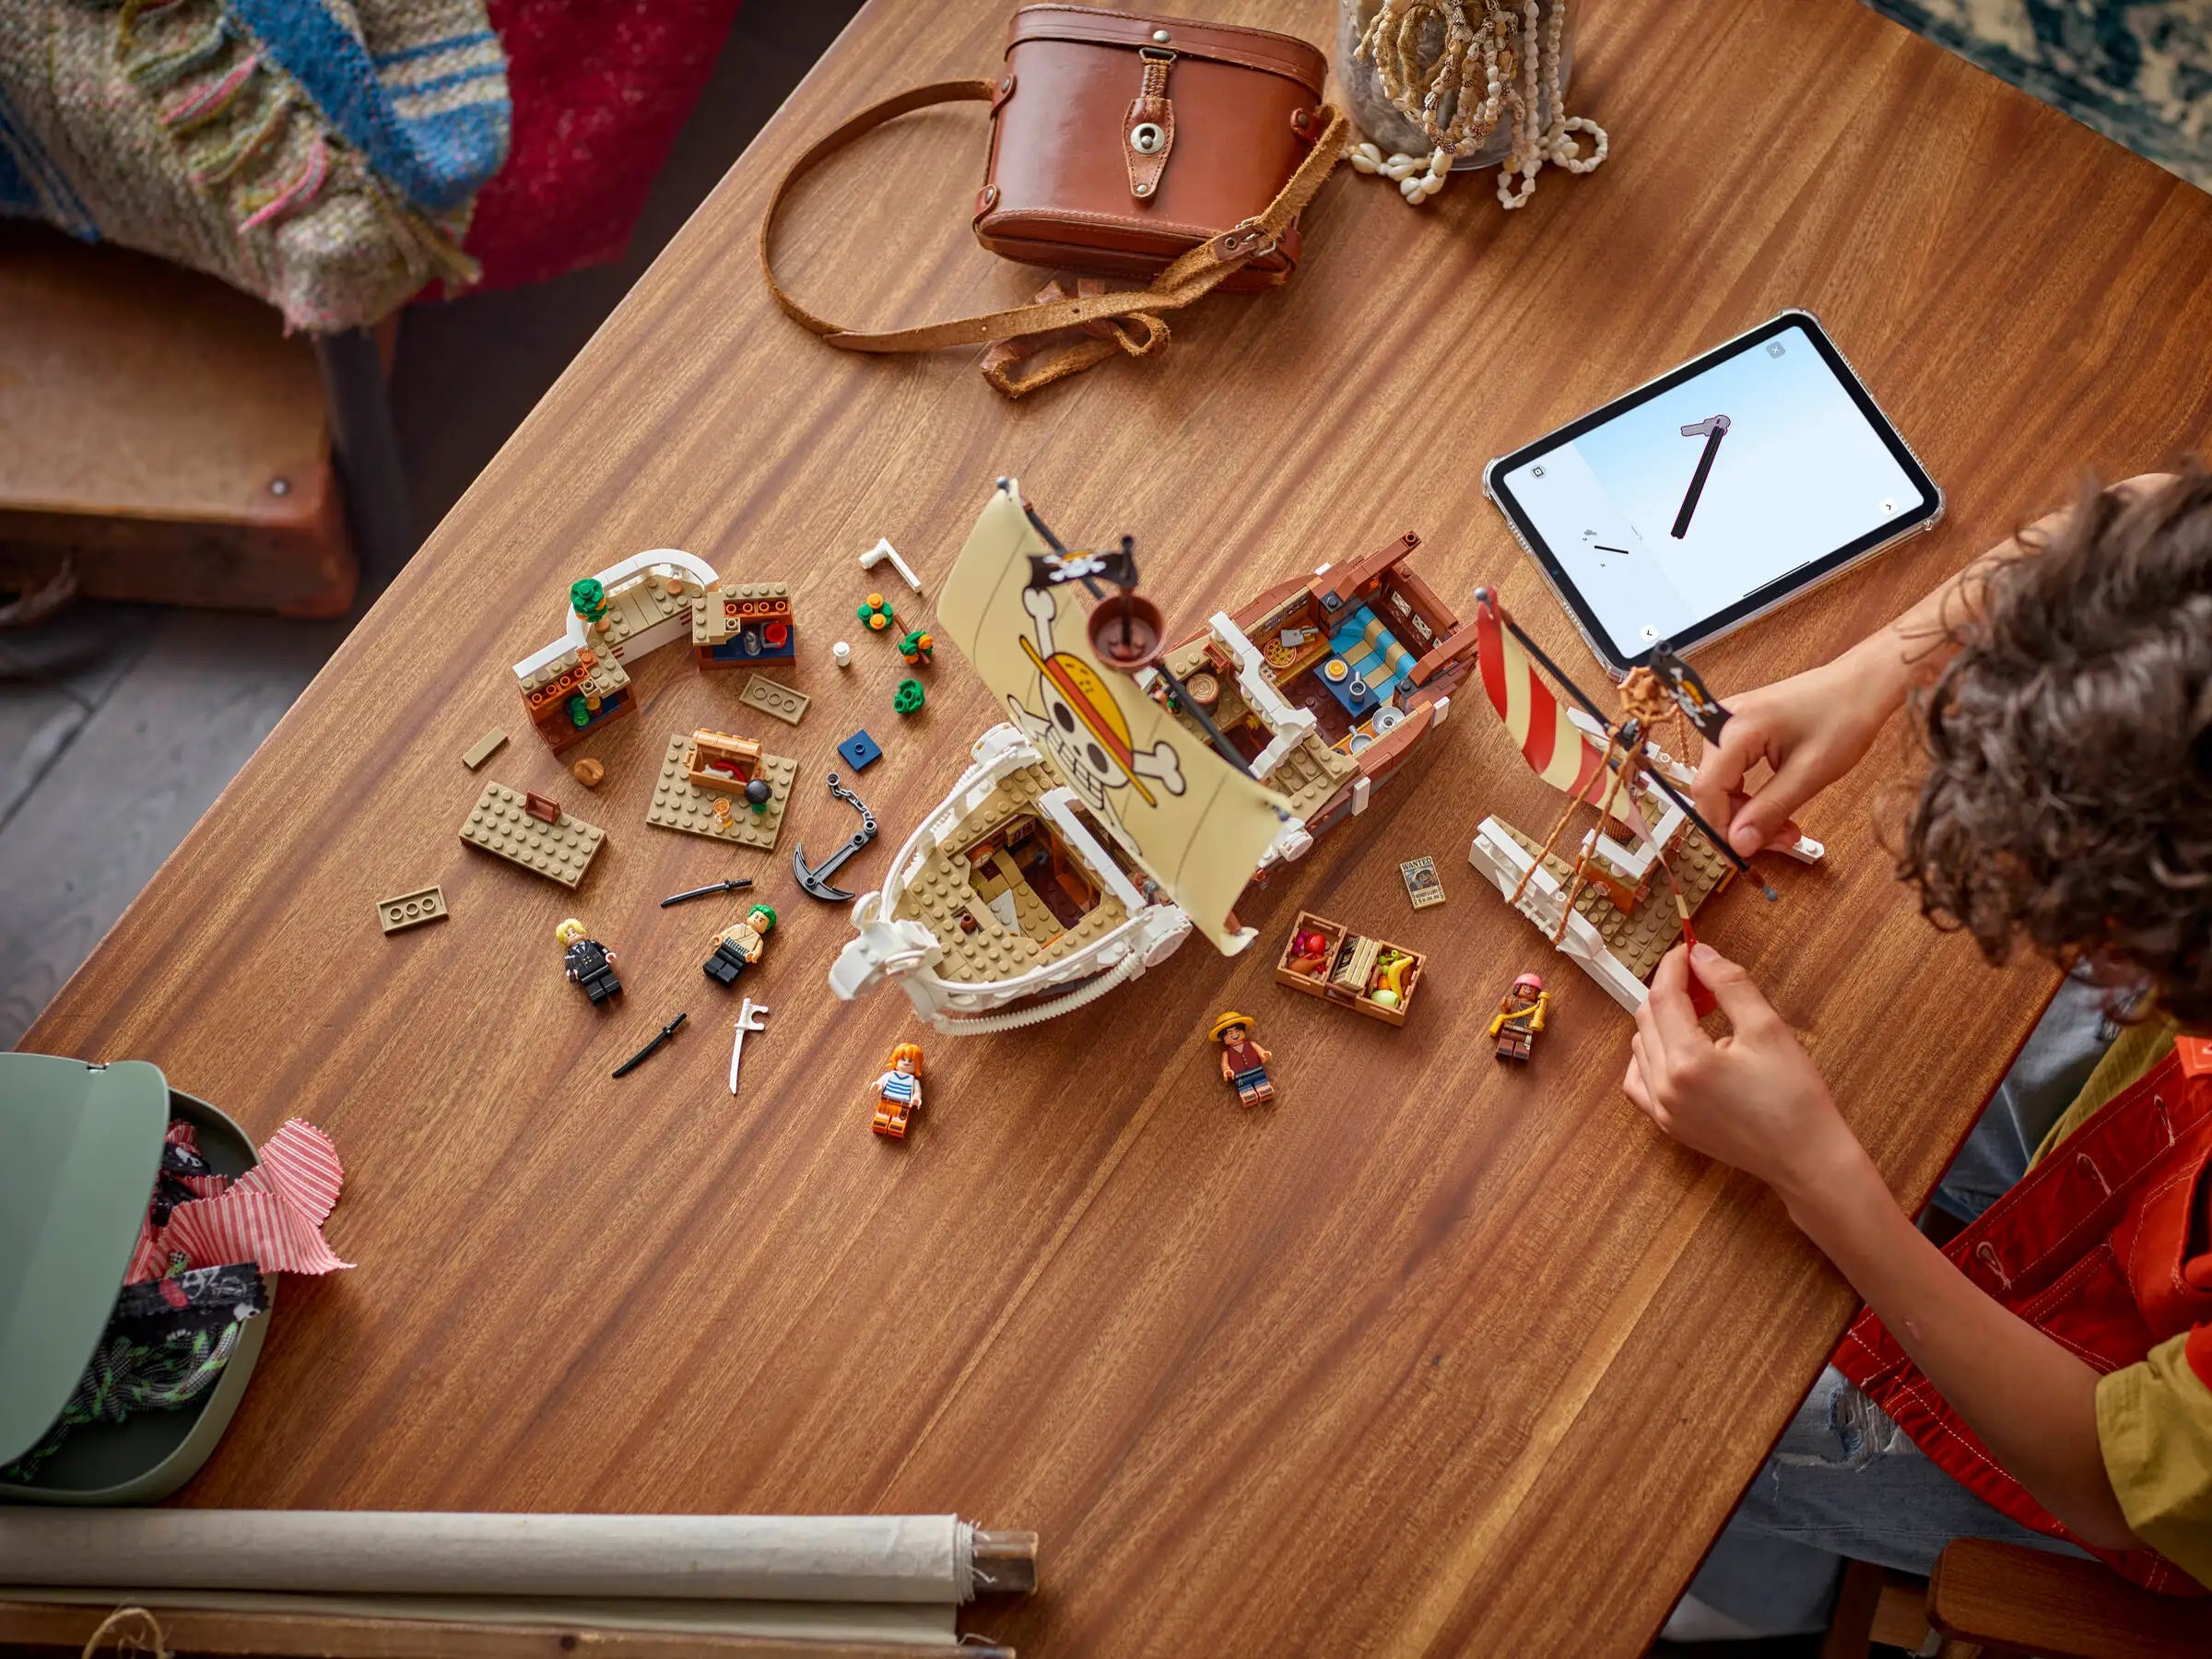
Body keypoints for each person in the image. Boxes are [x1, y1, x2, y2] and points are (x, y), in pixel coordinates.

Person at [1626, 467, 2212, 1637]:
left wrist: (1824, 1181)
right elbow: (2151, 512)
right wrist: (1871, 671)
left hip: (2123, 1463)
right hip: (2152, 1158)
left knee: (1688, 1422)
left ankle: (1754, 1612)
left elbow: (2111, 1479)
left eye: (2094, 947)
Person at [1211, 1012, 1276, 1106]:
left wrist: (1263, 1054)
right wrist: (1227, 1070)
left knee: (1263, 1087)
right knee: (1247, 1092)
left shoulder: (1251, 1044)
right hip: (1241, 1077)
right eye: (1230, 1033)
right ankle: (1248, 1097)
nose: (1234, 1034)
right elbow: (1225, 1065)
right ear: (1223, 1038)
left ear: (1243, 1031)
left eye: (1237, 1031)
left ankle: (1265, 1091)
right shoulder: (1227, 1053)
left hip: (1257, 1072)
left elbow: (1260, 1051)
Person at [871, 1042, 924, 1138]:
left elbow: (917, 1092)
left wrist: (916, 1098)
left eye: (910, 1061)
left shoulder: (914, 1081)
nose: (906, 1062)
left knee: (898, 1125)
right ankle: (880, 1125)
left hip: (902, 1105)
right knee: (881, 1120)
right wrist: (878, 1085)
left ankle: (896, 1130)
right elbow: (882, 1081)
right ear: (896, 1060)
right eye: (903, 1059)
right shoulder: (889, 1075)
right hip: (886, 1103)